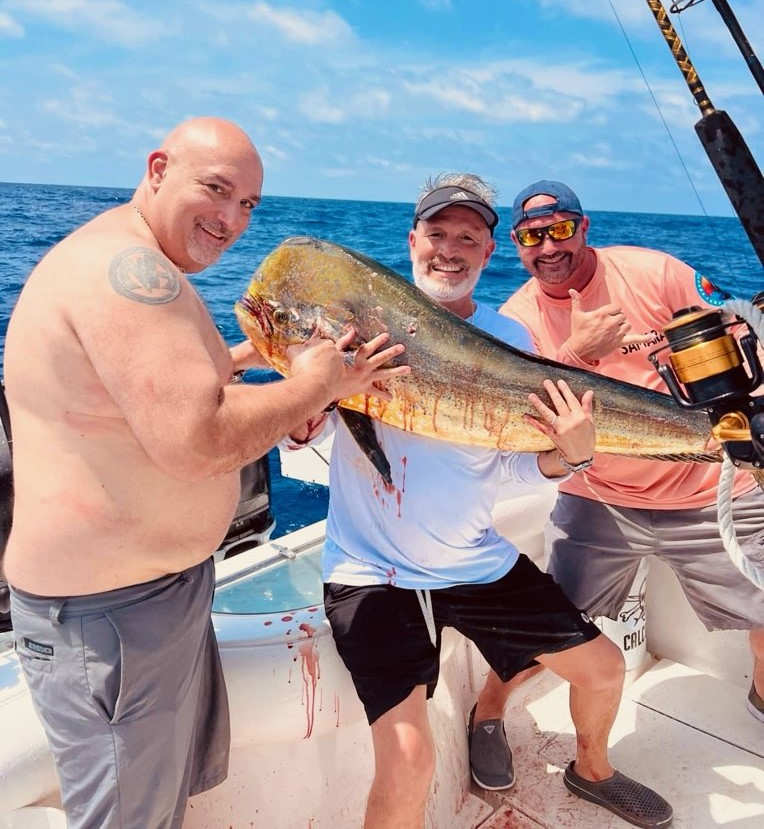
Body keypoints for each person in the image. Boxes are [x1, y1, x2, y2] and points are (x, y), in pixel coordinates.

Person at [1, 117, 408, 829]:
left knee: (157, 805)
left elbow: (161, 384)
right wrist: (315, 386)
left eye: (248, 204)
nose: (231, 219)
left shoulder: (134, 256)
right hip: (109, 620)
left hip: (149, 600)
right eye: (216, 190)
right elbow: (196, 439)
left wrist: (264, 365)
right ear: (158, 168)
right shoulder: (129, 273)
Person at [289, 174, 673, 829]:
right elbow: (300, 441)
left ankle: (592, 769)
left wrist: (571, 453)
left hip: (474, 560)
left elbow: (516, 473)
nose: (450, 248)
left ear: (488, 252)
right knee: (410, 758)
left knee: (605, 669)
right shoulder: (354, 329)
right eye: (437, 233)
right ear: (412, 241)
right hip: (373, 574)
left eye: (468, 236)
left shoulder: (508, 341)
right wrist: (309, 394)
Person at [483, 179, 764, 743]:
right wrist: (576, 354)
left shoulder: (654, 272)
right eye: (531, 237)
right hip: (597, 500)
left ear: (584, 228)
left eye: (560, 230)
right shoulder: (516, 320)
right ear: (515, 244)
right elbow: (524, 422)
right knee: (549, 625)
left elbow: (740, 336)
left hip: (710, 493)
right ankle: (486, 714)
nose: (548, 247)